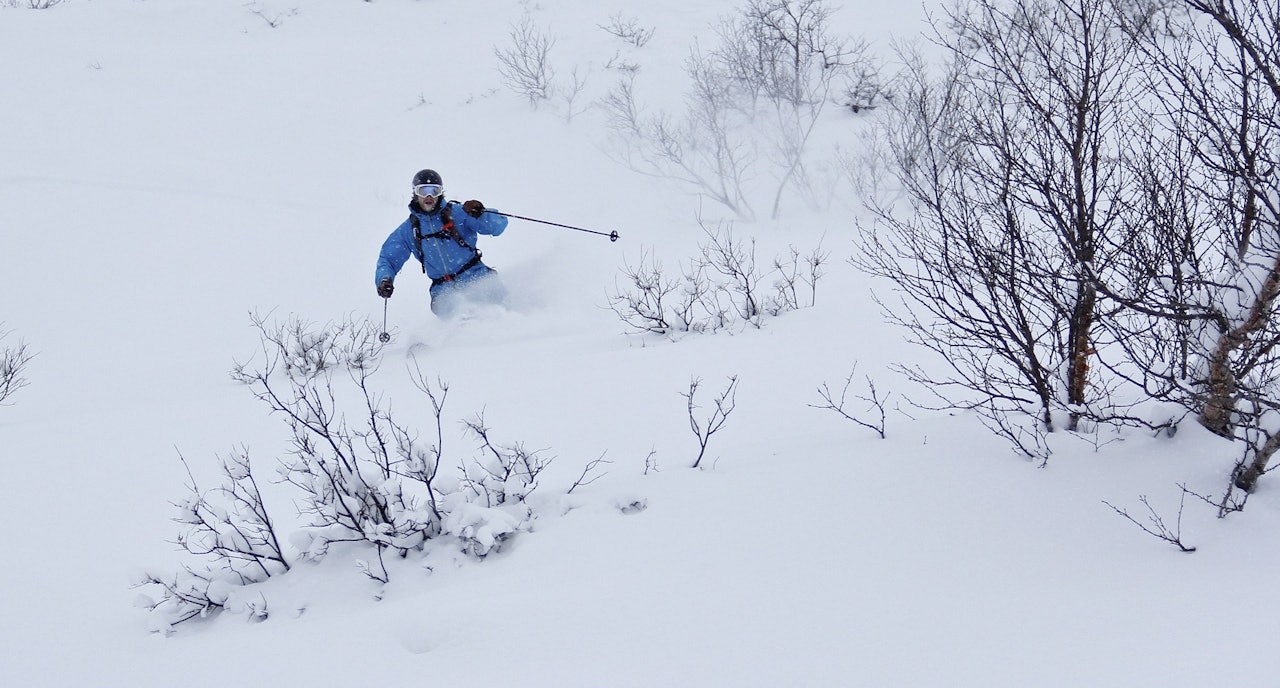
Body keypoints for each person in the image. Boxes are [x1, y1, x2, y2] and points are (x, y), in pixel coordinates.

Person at [375, 169, 509, 318]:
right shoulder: (409, 230)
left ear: (440, 192)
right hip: (443, 290)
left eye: (434, 190)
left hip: (476, 276)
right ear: (415, 193)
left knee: (496, 304)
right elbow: (388, 258)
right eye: (423, 190)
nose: (429, 196)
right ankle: (455, 338)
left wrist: (481, 214)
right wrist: (384, 279)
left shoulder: (459, 213)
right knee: (454, 311)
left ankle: (512, 328)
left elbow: (498, 226)